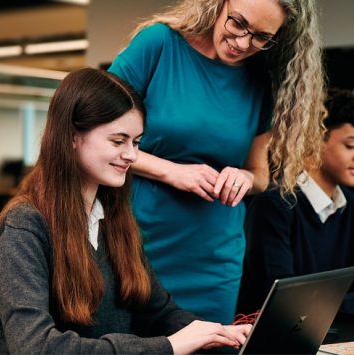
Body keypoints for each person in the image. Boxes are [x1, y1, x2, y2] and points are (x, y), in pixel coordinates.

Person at [0, 68, 252, 354]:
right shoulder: (25, 225)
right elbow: (34, 347)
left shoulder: (113, 218)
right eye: (118, 141)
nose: (131, 155)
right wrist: (167, 347)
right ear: (72, 136)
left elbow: (158, 312)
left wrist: (219, 335)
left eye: (136, 142)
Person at [107, 0, 326, 324]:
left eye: (261, 37)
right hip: (139, 241)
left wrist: (244, 178)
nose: (243, 43)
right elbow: (98, 138)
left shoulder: (260, 79)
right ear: (218, 4)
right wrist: (172, 172)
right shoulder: (159, 45)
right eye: (237, 23)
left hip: (215, 257)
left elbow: (260, 175)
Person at [237, 88, 354, 315]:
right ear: (315, 140)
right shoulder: (273, 206)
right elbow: (287, 301)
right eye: (350, 146)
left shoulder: (349, 204)